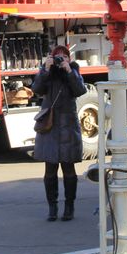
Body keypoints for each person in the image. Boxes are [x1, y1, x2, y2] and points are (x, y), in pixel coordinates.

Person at [32, 45, 87, 221]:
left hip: (68, 125)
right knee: (50, 169)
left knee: (69, 169)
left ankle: (69, 207)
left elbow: (80, 90)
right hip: (50, 126)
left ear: (69, 58)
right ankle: (52, 207)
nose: (60, 59)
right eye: (57, 56)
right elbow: (37, 89)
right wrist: (46, 69)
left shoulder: (73, 71)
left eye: (64, 56)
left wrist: (69, 70)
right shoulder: (47, 72)